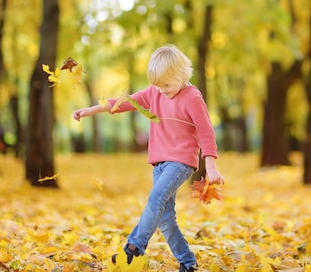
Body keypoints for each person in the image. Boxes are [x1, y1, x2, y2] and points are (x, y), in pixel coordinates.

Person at [72, 44, 224, 272]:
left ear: (181, 75)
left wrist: (211, 166)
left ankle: (133, 248)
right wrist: (90, 110)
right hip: (159, 164)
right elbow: (122, 102)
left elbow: (206, 130)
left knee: (155, 197)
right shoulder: (155, 92)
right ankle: (188, 263)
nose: (161, 90)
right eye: (157, 85)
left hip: (180, 162)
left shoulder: (192, 97)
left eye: (166, 85)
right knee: (164, 218)